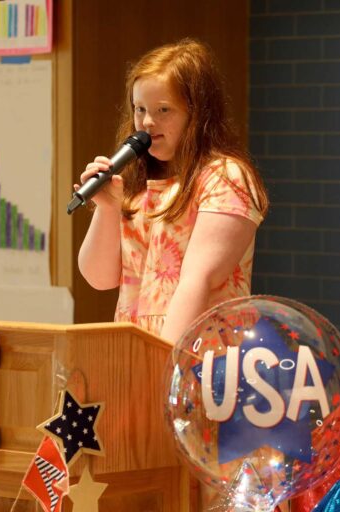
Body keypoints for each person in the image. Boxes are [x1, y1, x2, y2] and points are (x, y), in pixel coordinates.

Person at [75, 38, 269, 344]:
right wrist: (107, 209)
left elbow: (198, 280)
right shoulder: (137, 184)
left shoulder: (225, 177)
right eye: (140, 109)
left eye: (163, 110)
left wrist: (163, 362)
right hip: (137, 349)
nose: (148, 122)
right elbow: (99, 278)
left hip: (197, 353)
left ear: (198, 113)